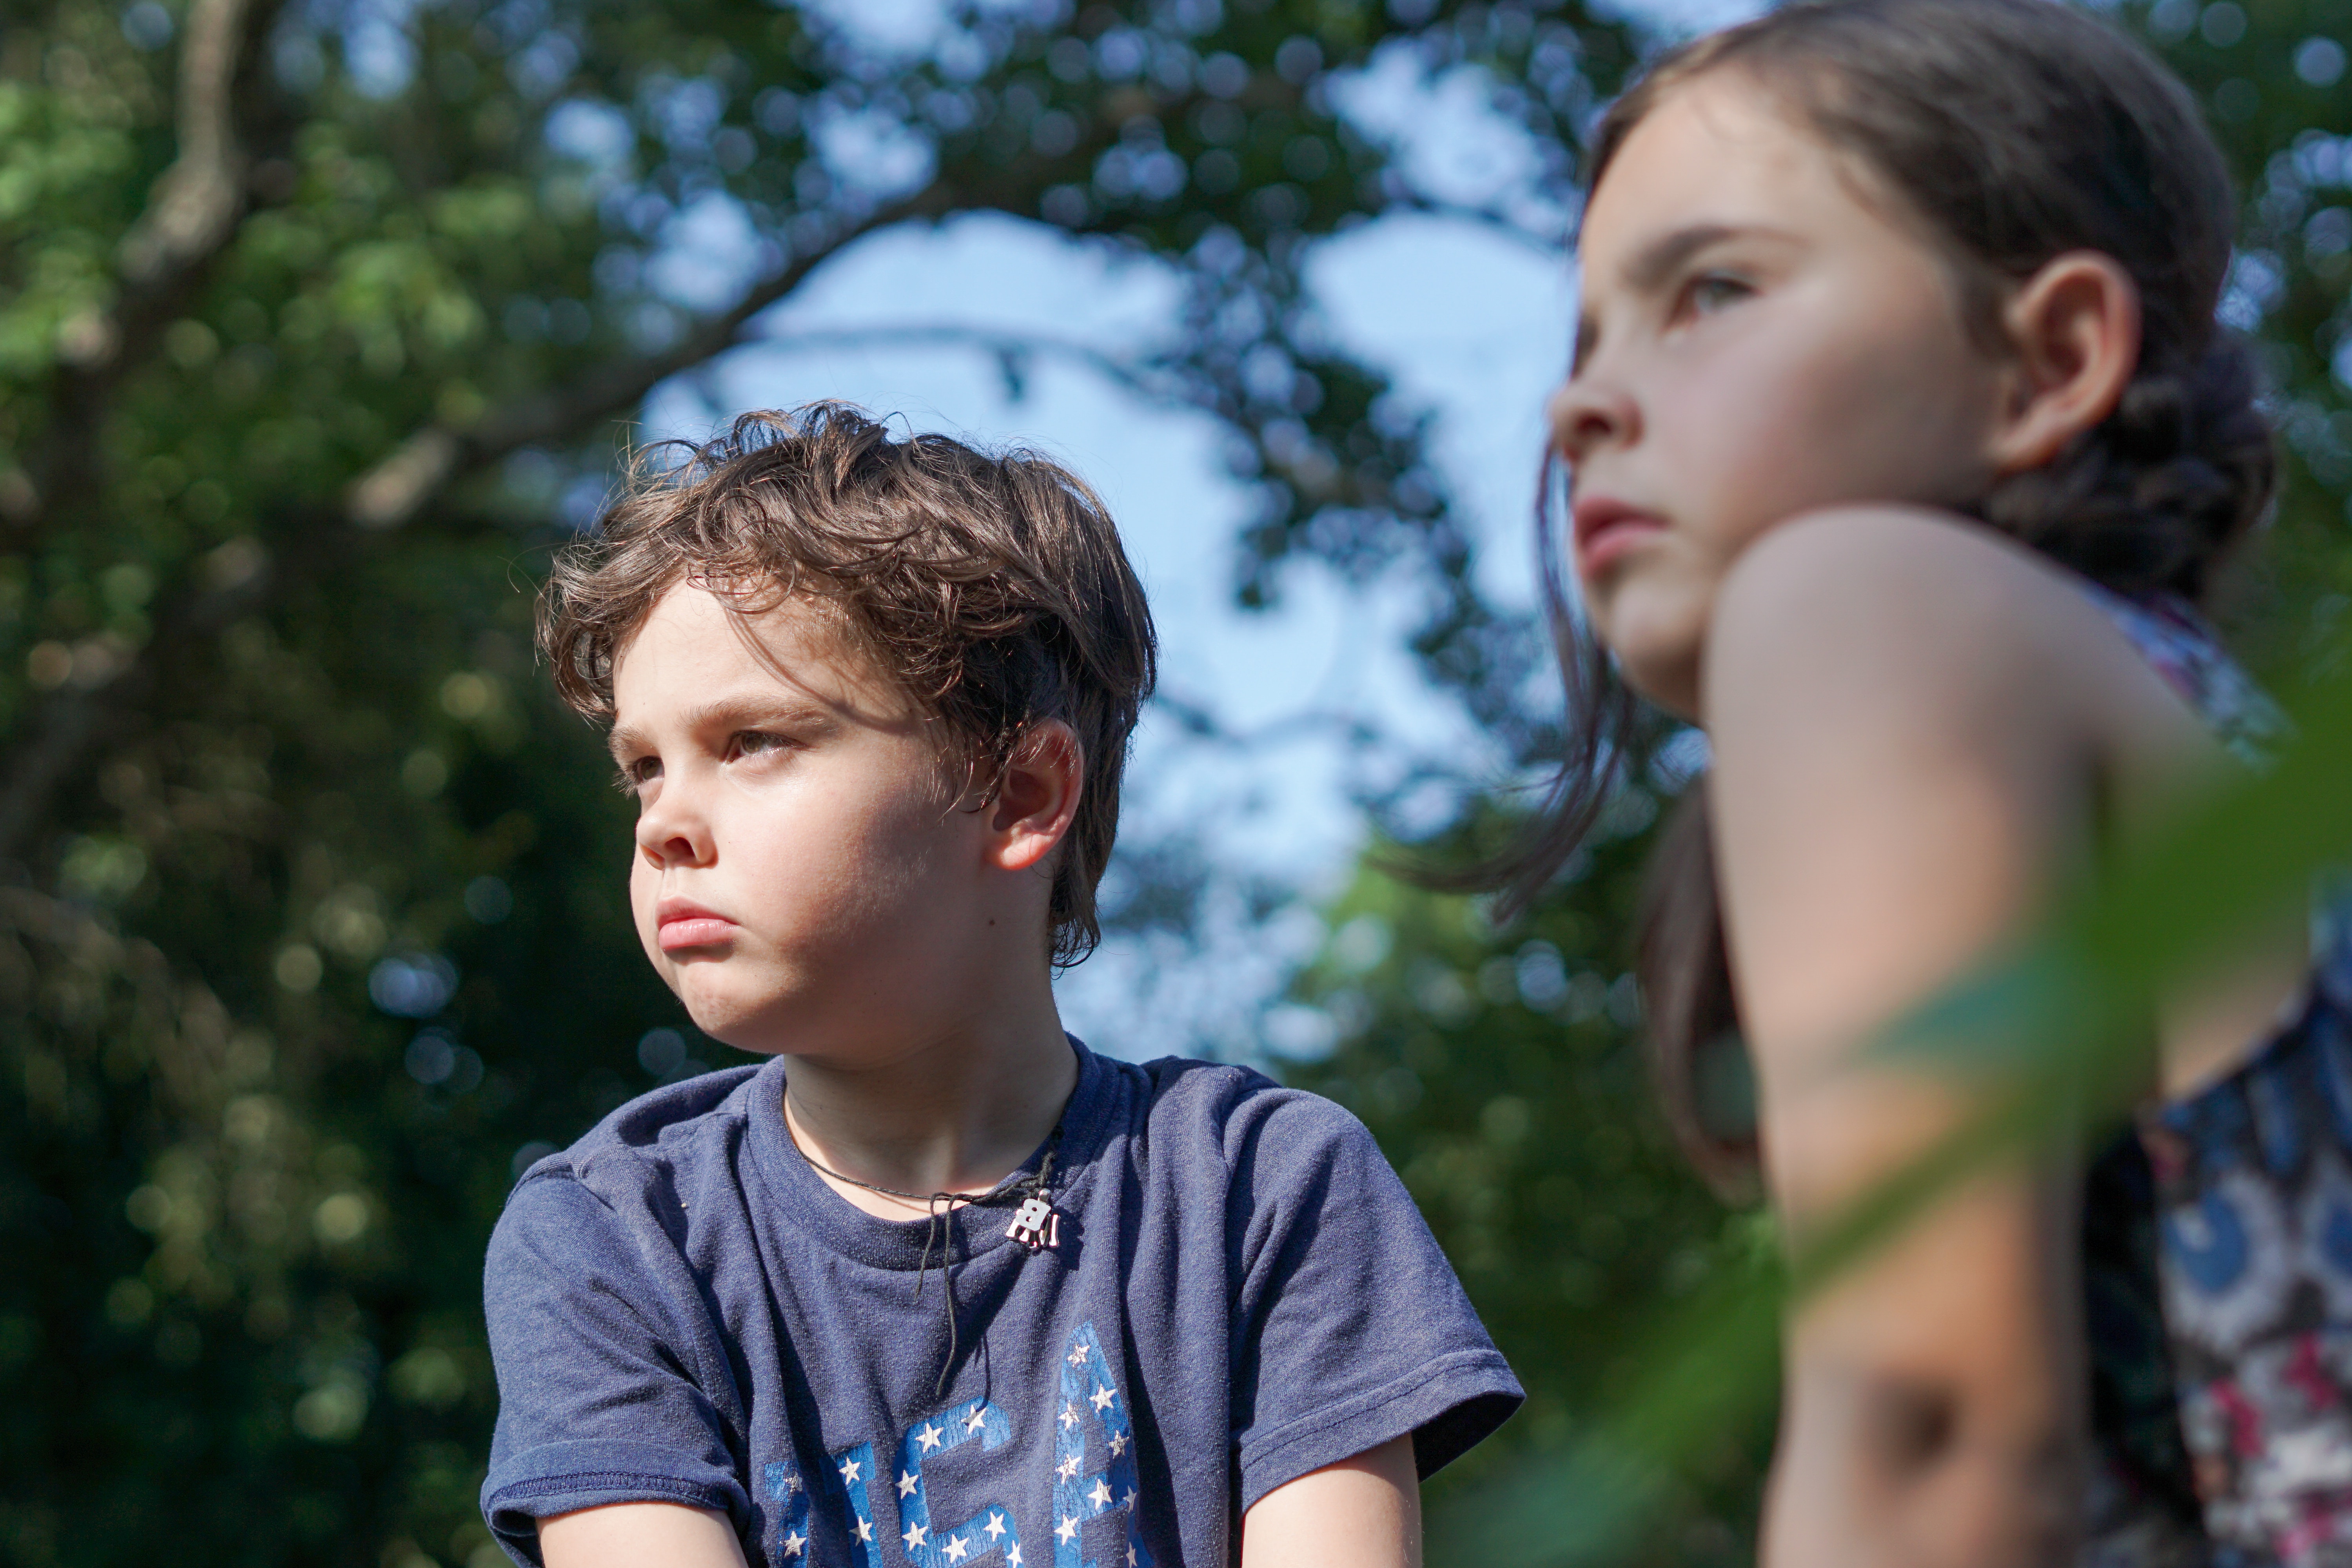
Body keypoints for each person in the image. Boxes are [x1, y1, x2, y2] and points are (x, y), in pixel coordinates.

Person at [1505, 2, 2352, 1563]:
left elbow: (1933, 1435)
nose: (1580, 407)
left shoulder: (1859, 601)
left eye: (1713, 291)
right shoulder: (2210, 739)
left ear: (2050, 360)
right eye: (1585, 342)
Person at [478, 404, 1521, 1568]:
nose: (666, 821)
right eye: (642, 768)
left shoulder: (1263, 1191)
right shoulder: (612, 1239)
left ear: (1022, 795)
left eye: (754, 740)